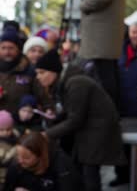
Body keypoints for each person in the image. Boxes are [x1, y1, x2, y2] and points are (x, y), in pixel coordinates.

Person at [36, 49, 125, 191]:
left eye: (42, 72)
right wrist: (57, 117)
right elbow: (73, 111)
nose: (38, 77)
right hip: (89, 132)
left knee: (90, 176)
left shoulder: (76, 83)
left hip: (96, 133)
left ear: (53, 72)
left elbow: (75, 119)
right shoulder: (68, 81)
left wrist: (47, 134)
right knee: (82, 174)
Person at [111, 21, 137, 187]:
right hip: (123, 106)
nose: (136, 35)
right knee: (120, 144)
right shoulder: (120, 53)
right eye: (134, 32)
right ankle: (121, 175)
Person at [3, 132, 80, 191]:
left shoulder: (62, 166)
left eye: (26, 158)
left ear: (40, 156)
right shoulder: (15, 167)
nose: (20, 160)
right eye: (18, 155)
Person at [0, 29, 51, 114]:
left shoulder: (29, 70)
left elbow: (42, 96)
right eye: (3, 48)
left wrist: (48, 108)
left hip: (22, 123)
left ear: (18, 49)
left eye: (11, 48)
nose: (7, 52)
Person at [0, 110, 17, 189]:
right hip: (2, 178)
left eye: (8, 129)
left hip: (15, 176)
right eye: (1, 130)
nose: (5, 132)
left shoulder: (16, 137)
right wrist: (13, 152)